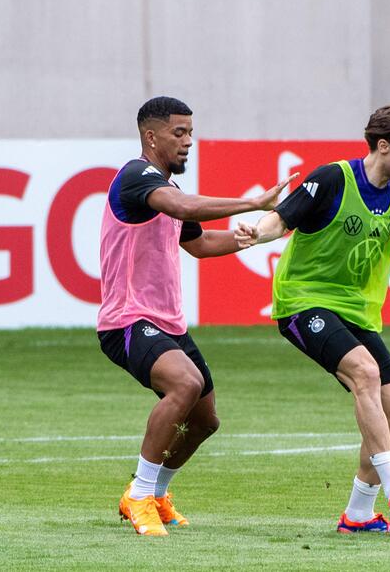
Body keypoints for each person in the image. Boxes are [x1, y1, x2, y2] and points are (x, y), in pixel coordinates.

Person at [235, 104, 390, 534]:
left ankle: (357, 515)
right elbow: (281, 220)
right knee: (364, 372)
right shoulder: (332, 178)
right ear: (384, 146)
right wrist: (256, 232)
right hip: (304, 302)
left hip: (359, 314)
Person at [98, 96, 295, 536]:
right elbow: (184, 209)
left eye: (191, 132)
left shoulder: (168, 192)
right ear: (151, 136)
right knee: (185, 384)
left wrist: (256, 238)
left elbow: (199, 243)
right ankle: (138, 495)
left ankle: (158, 493)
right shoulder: (136, 177)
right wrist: (252, 203)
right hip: (126, 321)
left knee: (206, 421)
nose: (189, 141)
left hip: (167, 324)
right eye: (179, 133)